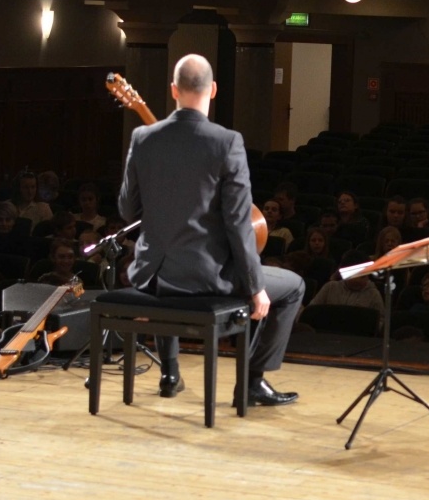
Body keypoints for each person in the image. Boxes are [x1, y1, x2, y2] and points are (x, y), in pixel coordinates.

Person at [120, 54, 304, 406]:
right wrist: (256, 287)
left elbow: (128, 211)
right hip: (205, 278)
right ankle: (252, 381)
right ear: (214, 90)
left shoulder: (142, 137)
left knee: (174, 272)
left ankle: (170, 373)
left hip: (152, 275)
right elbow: (238, 223)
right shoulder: (227, 142)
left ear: (173, 90)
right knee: (294, 286)